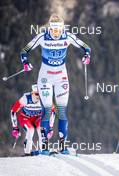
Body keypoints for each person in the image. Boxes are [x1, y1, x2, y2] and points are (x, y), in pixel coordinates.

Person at [19, 13, 91, 154]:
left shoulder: (68, 36)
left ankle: (63, 147)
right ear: (50, 28)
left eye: (58, 29)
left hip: (61, 77)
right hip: (45, 77)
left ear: (62, 28)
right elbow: (24, 50)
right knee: (46, 110)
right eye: (53, 29)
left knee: (62, 111)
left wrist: (87, 56)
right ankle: (44, 148)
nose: (56, 32)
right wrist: (25, 62)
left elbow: (86, 47)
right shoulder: (42, 36)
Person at [10, 84, 55, 156]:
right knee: (30, 131)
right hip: (25, 118)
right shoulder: (25, 99)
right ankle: (27, 153)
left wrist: (50, 127)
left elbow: (53, 111)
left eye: (40, 94)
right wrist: (15, 127)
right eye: (36, 94)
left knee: (41, 131)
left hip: (38, 118)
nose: (38, 96)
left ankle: (44, 152)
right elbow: (13, 111)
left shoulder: (45, 98)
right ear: (32, 93)